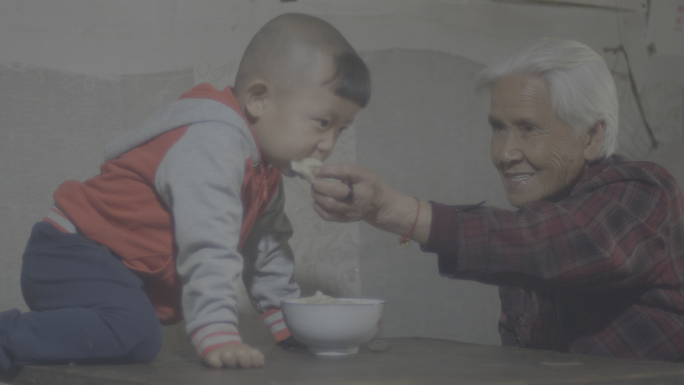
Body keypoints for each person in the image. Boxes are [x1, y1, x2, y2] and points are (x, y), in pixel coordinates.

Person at [0, 13, 370, 374]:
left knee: (125, 339)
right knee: (136, 334)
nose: (328, 145)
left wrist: (287, 323)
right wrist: (217, 332)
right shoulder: (214, 144)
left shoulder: (265, 171)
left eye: (341, 129)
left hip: (111, 266)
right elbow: (208, 241)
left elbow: (266, 247)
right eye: (323, 122)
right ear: (259, 98)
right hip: (70, 251)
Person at [311, 38, 684, 361]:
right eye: (499, 129)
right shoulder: (524, 239)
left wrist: (392, 209)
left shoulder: (644, 193)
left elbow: (552, 245)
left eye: (528, 129)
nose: (505, 153)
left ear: (590, 137)